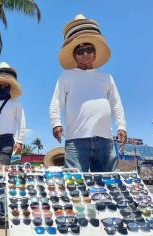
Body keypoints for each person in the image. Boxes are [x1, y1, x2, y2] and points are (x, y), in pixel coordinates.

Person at [50, 14, 127, 172]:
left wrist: (122, 127)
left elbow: (116, 104)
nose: (85, 54)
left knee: (109, 185)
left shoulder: (107, 78)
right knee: (76, 187)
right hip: (76, 141)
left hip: (105, 140)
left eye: (89, 50)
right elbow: (56, 102)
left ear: (95, 53)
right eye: (80, 51)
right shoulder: (66, 76)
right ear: (74, 55)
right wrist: (56, 124)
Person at [0, 62, 26, 165]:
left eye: (5, 84)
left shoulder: (15, 103)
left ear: (10, 86)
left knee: (2, 170)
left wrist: (20, 141)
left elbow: (22, 122)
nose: (2, 87)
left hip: (6, 141)